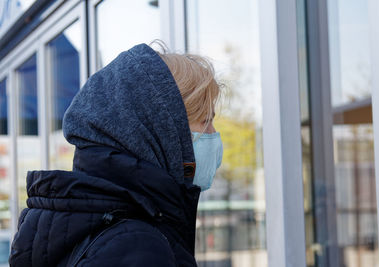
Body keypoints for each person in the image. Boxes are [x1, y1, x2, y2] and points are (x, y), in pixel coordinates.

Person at [8, 40, 223, 267]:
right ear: (162, 129)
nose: (214, 134)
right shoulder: (138, 246)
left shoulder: (81, 221)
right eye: (206, 121)